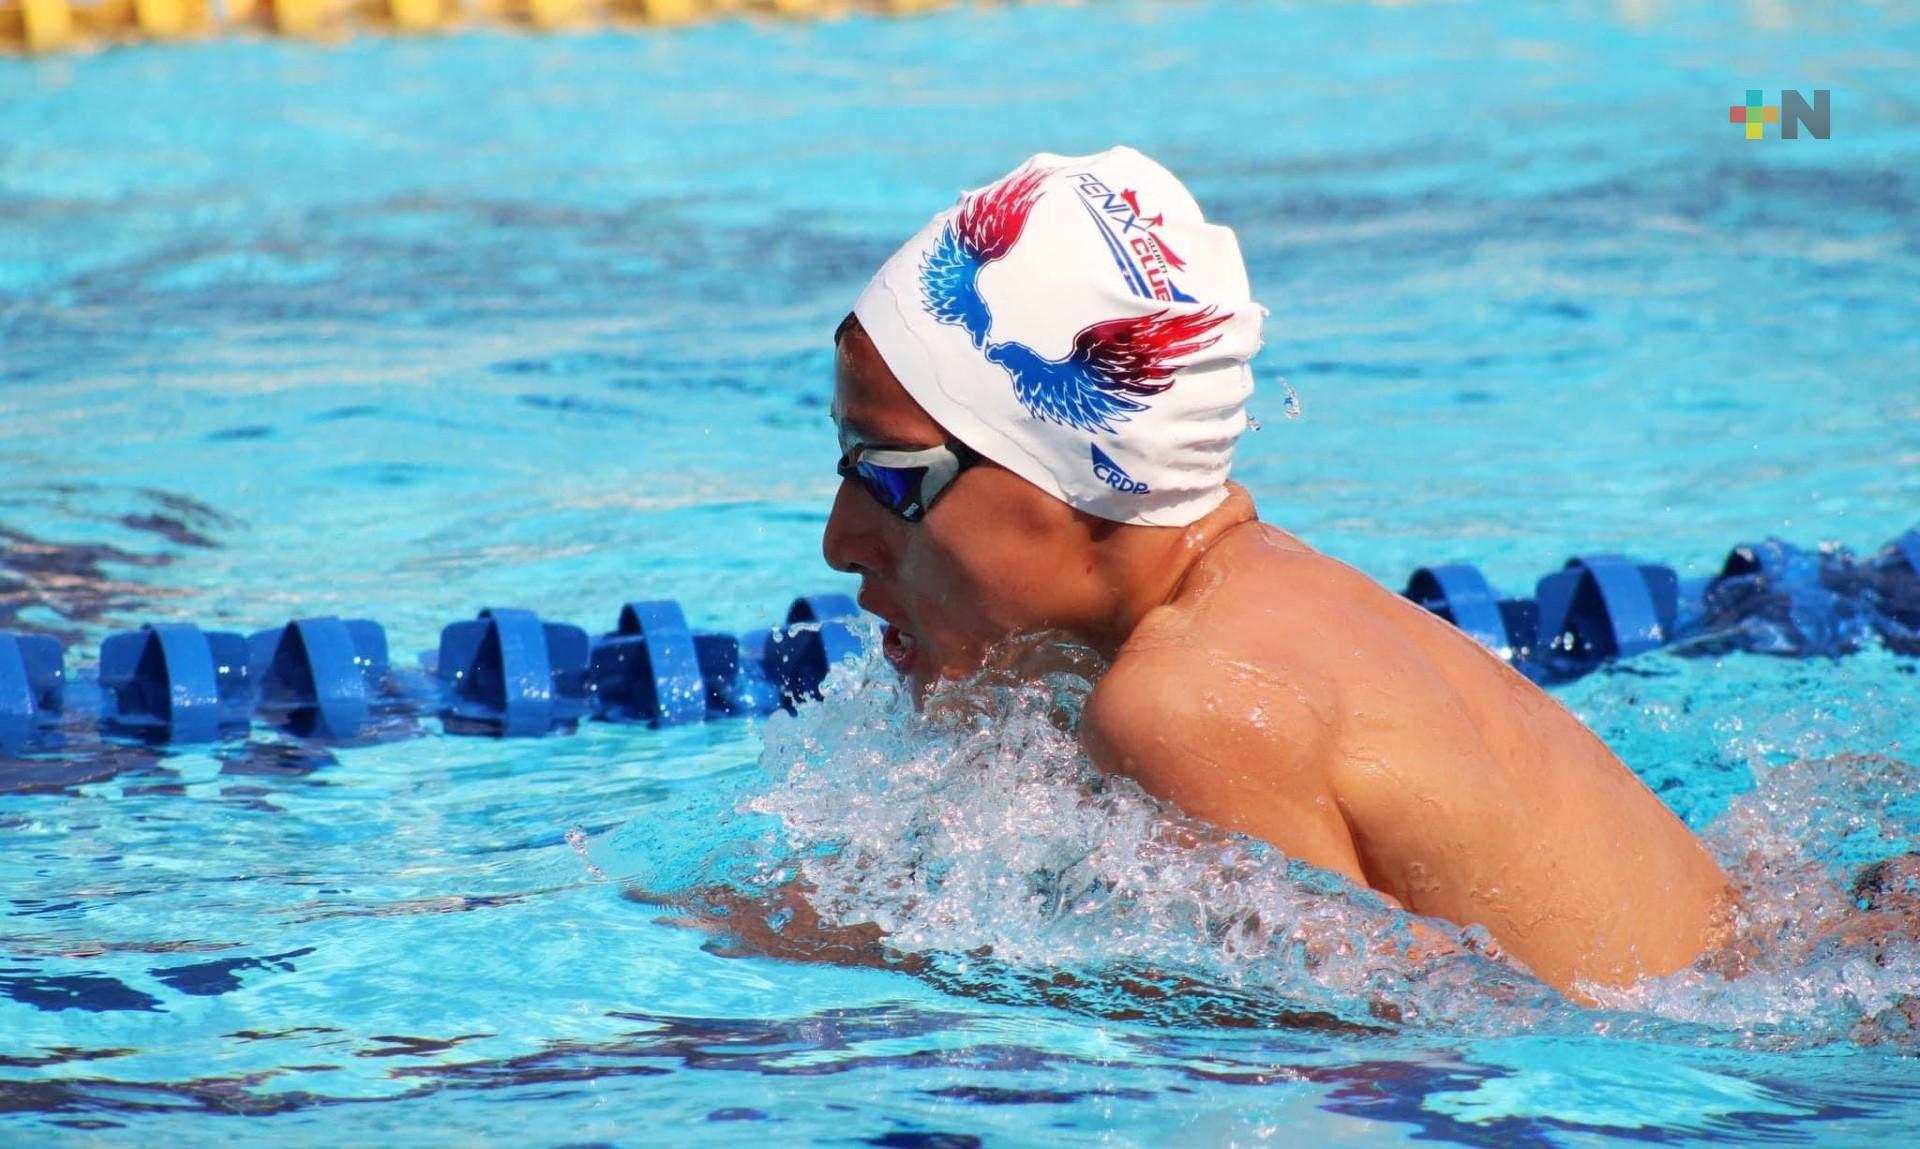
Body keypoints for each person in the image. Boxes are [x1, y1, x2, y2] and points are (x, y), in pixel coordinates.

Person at [821, 146, 1732, 997]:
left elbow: (1380, 1058)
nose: (839, 537)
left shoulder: (1185, 705)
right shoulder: (1269, 593)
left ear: (1068, 472)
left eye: (891, 476)